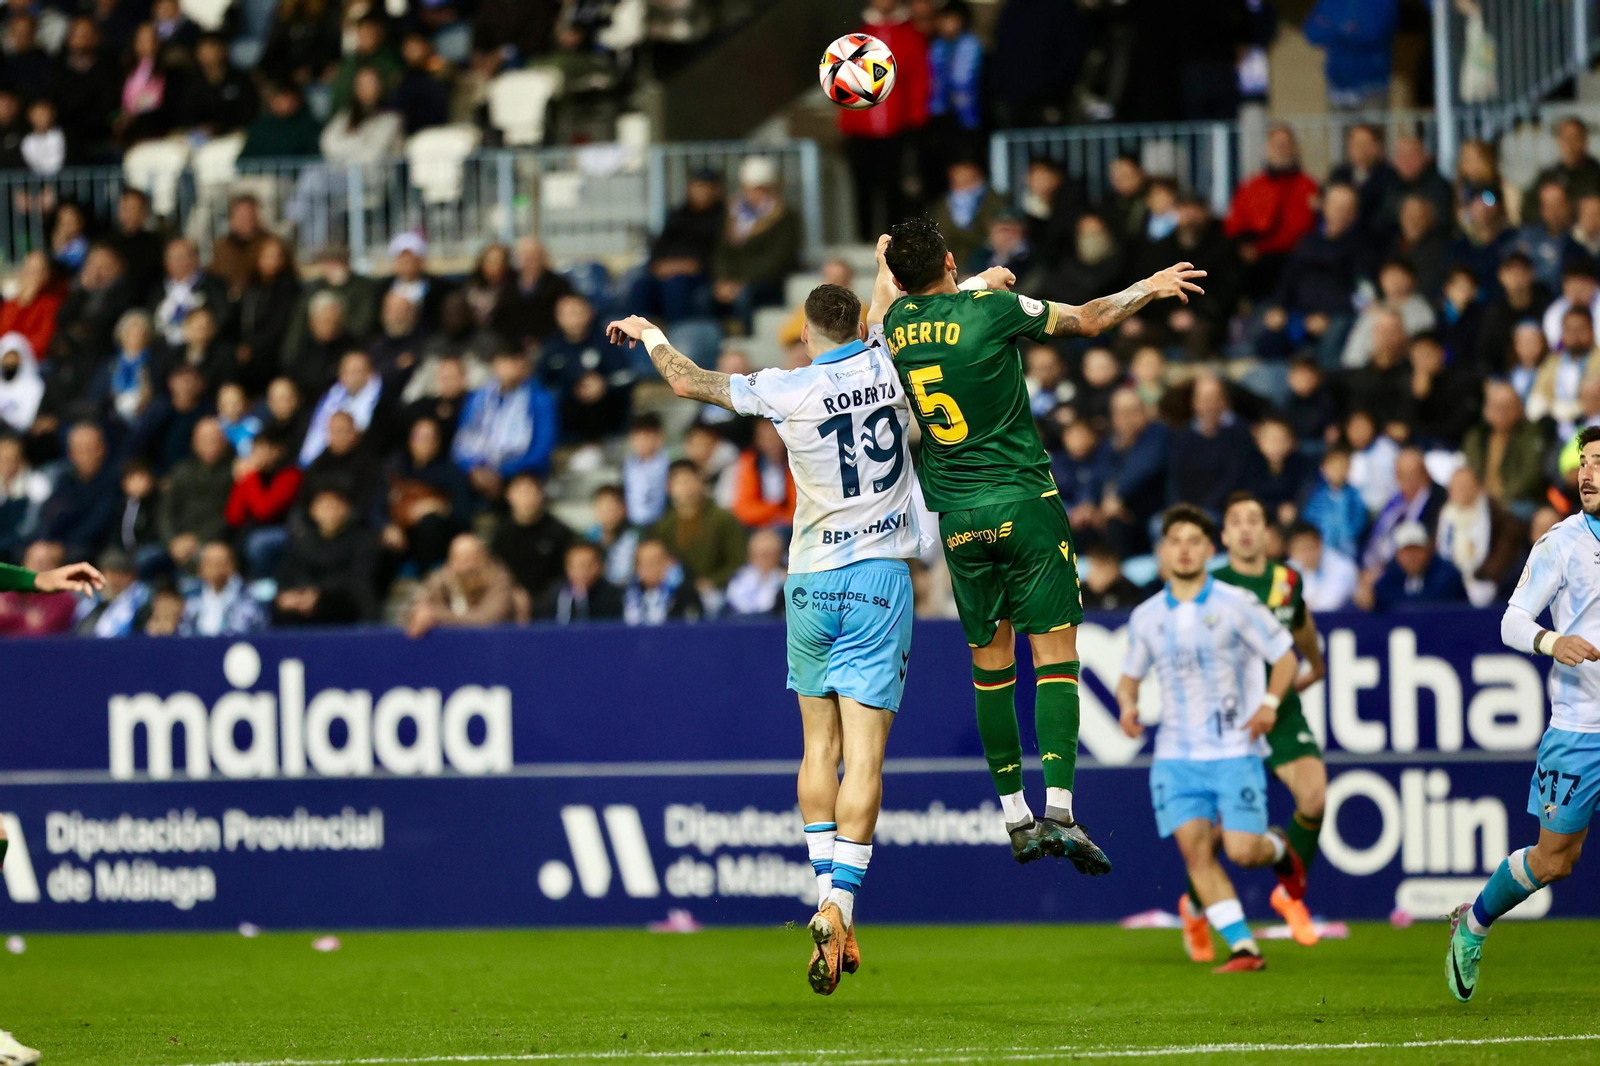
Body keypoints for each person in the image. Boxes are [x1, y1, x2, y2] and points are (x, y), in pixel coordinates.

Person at [605, 268, 932, 996]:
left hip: (810, 582)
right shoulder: (889, 362)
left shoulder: (787, 386)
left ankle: (822, 892)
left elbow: (688, 382)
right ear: (861, 326)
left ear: (807, 333)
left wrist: (651, 333)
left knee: (818, 747)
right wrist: (886, 266)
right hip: (879, 579)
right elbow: (889, 307)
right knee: (866, 758)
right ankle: (840, 904)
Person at [881, 213, 1200, 871]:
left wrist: (907, 267)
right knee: (1055, 659)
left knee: (990, 669)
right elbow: (1088, 319)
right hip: (1023, 503)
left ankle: (1014, 817)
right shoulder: (991, 310)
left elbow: (898, 296)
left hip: (958, 519)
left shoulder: (895, 324)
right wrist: (1148, 285)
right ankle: (1059, 810)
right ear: (948, 264)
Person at [1117, 505, 1304, 974]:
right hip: (1176, 757)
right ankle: (1245, 948)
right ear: (1163, 551)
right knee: (1196, 853)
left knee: (1243, 852)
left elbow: (1285, 657)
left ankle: (1278, 848)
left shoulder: (1236, 603)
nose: (1184, 549)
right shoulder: (1146, 616)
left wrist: (1270, 704)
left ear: (1208, 549)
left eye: (1193, 541)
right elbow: (1129, 677)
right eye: (1175, 541)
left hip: (1234, 750)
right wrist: (1127, 706)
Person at [1454, 424, 1600, 1001]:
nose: (1588, 473)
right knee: (1555, 860)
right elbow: (1511, 621)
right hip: (1580, 727)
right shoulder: (1560, 544)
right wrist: (1552, 642)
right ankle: (1473, 924)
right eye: (1584, 462)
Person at [1210, 492, 1328, 949]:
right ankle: (1195, 906)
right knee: (1217, 832)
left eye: (1253, 520)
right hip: (1232, 718)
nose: (1245, 528)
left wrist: (1315, 664)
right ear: (1224, 535)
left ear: (1266, 533)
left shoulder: (1285, 580)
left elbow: (1301, 623)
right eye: (1236, 521)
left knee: (1314, 796)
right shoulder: (1211, 584)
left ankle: (1289, 895)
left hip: (1279, 710)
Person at [451, 348, 558, 498]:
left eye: (513, 361)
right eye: (503, 361)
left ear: (524, 365)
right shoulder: (478, 397)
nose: (508, 368)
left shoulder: (540, 399)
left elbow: (542, 449)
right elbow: (463, 439)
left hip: (520, 472)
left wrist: (502, 471)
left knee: (523, 489)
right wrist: (473, 468)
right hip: (478, 471)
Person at [406, 532, 516, 637]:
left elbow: (486, 619)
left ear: (484, 559)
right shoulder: (441, 579)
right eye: (458, 559)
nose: (465, 567)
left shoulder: (500, 581)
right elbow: (417, 607)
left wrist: (437, 615)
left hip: (494, 644)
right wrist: (419, 613)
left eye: (470, 559)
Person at [491, 472, 573, 607]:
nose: (526, 498)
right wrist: (513, 592)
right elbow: (496, 570)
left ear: (541, 495)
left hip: (551, 599)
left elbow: (566, 573)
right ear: (509, 496)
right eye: (521, 492)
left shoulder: (559, 532)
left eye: (531, 492)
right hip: (510, 598)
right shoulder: (500, 534)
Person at [1366, 520, 1467, 611]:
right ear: (1398, 554)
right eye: (1406, 551)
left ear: (1428, 550)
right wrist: (1370, 597)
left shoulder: (1446, 574)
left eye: (1416, 550)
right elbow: (1379, 595)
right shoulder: (1393, 573)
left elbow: (1431, 601)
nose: (1412, 557)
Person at [180, 541, 266, 637]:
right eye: (211, 563)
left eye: (221, 562)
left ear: (233, 566)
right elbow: (183, 631)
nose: (216, 567)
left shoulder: (249, 596)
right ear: (200, 568)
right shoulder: (190, 597)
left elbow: (252, 630)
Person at [536, 541, 623, 623]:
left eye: (587, 565)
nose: (581, 571)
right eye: (575, 566)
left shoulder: (615, 597)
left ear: (600, 566)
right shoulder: (555, 595)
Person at [1286, 521, 1358, 612]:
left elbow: (1332, 603)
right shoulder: (1285, 571)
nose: (1306, 554)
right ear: (1291, 552)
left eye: (1309, 547)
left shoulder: (1343, 566)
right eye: (1301, 549)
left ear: (1320, 544)